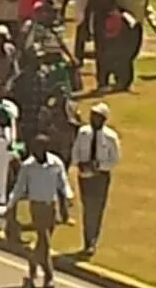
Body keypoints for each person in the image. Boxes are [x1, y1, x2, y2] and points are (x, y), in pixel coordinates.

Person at [9, 134, 73, 288]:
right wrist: (10, 205)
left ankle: (32, 264)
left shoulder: (55, 163)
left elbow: (62, 183)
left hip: (51, 205)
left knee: (43, 242)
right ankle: (49, 277)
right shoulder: (28, 166)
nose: (36, 151)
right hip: (36, 206)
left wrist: (67, 200)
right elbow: (19, 188)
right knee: (45, 241)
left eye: (39, 148)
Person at [69, 102, 121, 257]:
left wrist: (98, 166)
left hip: (100, 177)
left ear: (103, 119)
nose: (93, 119)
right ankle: (86, 240)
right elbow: (76, 151)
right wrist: (80, 165)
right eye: (92, 115)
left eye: (97, 116)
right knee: (87, 208)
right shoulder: (83, 132)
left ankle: (92, 242)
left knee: (96, 209)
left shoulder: (110, 137)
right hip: (84, 175)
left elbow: (115, 159)